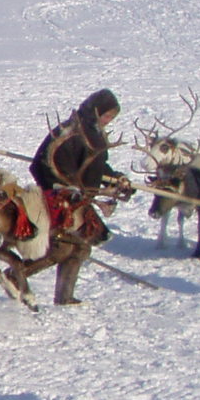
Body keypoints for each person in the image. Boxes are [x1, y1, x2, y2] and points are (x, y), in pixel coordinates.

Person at [30, 88, 133, 304]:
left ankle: (64, 296)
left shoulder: (93, 134)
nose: (107, 121)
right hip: (60, 198)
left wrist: (116, 179)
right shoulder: (69, 133)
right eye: (106, 116)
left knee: (81, 247)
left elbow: (96, 167)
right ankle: (17, 274)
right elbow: (41, 165)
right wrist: (64, 187)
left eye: (111, 118)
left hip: (81, 200)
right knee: (63, 248)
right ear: (95, 111)